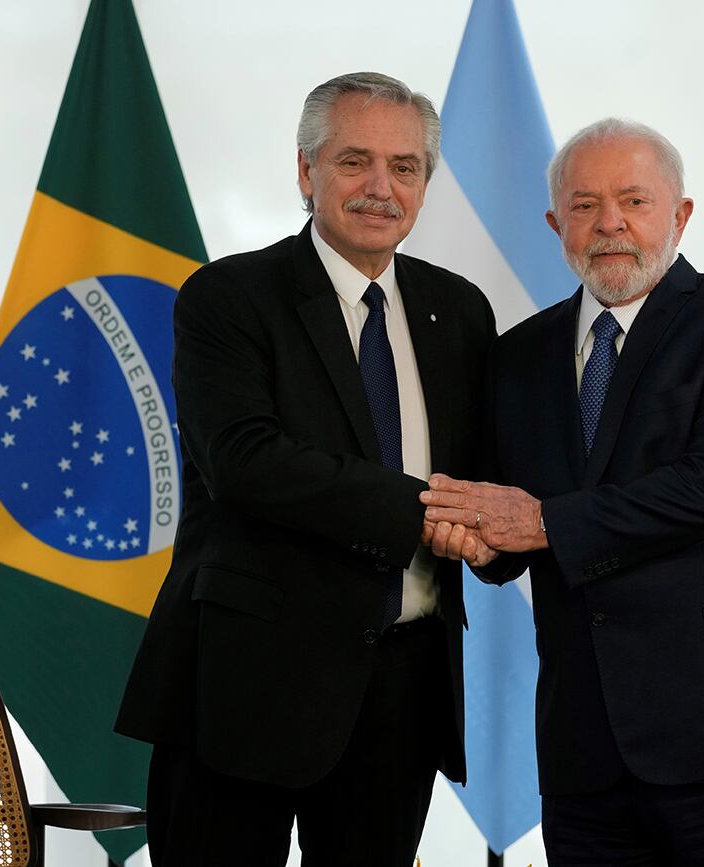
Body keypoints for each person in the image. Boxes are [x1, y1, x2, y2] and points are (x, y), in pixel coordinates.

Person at [420, 118, 704, 865]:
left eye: (634, 200)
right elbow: (510, 535)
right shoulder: (516, 356)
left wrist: (540, 522)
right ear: (556, 223)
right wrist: (475, 537)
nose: (611, 224)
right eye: (587, 206)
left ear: (680, 215)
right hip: (585, 749)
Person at [115, 72, 496, 866]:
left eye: (405, 166)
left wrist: (500, 530)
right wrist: (422, 511)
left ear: (425, 183)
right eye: (355, 161)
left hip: (403, 685)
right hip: (248, 684)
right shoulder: (229, 296)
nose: (381, 188)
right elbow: (245, 462)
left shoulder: (458, 309)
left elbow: (480, 471)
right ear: (305, 172)